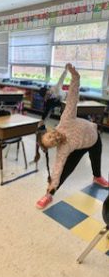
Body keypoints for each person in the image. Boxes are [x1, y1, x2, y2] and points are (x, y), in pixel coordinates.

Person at [35, 64, 109, 209]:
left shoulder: (65, 120)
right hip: (79, 147)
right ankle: (49, 194)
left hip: (94, 138)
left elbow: (72, 98)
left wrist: (75, 77)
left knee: (96, 159)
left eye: (49, 137)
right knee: (65, 169)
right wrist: (51, 186)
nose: (52, 139)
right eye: (51, 144)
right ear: (55, 146)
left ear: (50, 131)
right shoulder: (63, 148)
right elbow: (57, 168)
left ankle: (97, 177)